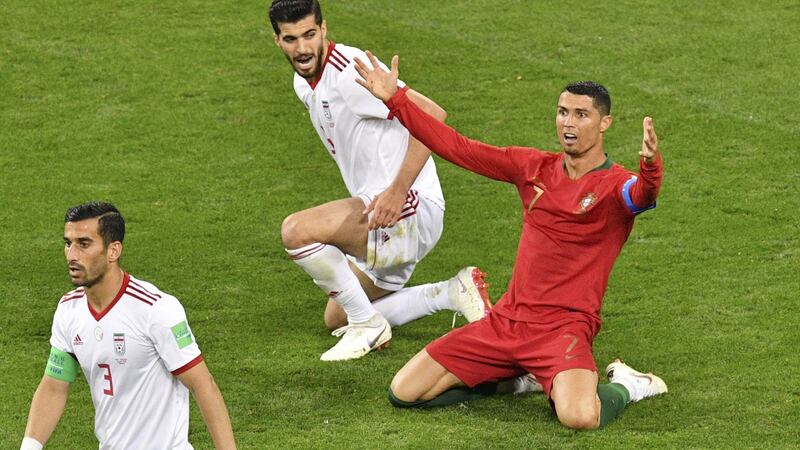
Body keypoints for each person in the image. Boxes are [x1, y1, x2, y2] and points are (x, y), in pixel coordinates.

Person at [354, 52, 668, 429]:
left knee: (580, 417)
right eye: (562, 112)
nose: (568, 123)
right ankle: (518, 381)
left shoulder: (615, 185)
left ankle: (630, 385)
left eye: (581, 115)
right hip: (505, 323)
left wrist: (651, 166)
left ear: (605, 123)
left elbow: (643, 195)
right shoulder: (532, 167)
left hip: (564, 329)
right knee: (404, 391)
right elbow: (458, 147)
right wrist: (396, 100)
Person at [269, 0, 492, 362]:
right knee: (337, 315)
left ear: (325, 30)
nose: (303, 48)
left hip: (407, 206)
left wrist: (396, 191)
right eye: (291, 39)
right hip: (385, 209)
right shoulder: (303, 81)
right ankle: (452, 292)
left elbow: (433, 116)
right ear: (278, 41)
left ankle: (369, 327)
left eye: (310, 35)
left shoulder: (348, 72)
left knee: (297, 231)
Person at [20, 202, 236, 449]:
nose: (72, 255)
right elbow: (54, 387)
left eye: (84, 244)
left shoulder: (154, 309)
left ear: (113, 251)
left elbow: (203, 385)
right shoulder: (69, 310)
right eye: (68, 243)